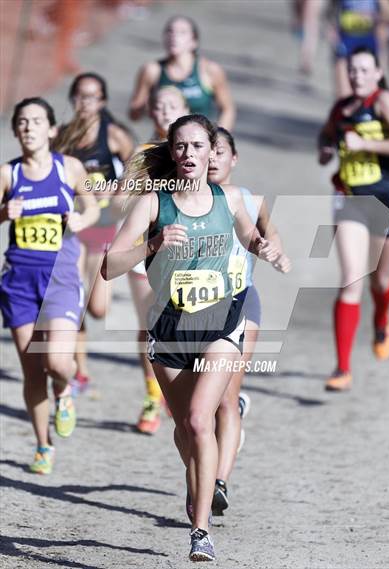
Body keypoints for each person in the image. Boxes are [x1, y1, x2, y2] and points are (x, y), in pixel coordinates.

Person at [102, 114, 285, 561]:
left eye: (198, 146)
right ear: (172, 152)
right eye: (181, 147)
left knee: (202, 420)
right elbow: (109, 267)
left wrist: (264, 246)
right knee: (185, 428)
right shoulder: (153, 203)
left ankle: (200, 531)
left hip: (220, 325)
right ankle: (200, 482)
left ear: (211, 153)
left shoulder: (229, 198)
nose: (189, 155)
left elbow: (249, 235)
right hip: (169, 329)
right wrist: (152, 244)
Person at [0, 97, 99, 474]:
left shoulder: (69, 167)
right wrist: (2, 213)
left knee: (57, 361)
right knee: (31, 371)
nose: (29, 127)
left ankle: (65, 389)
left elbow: (93, 206)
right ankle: (43, 445)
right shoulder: (7, 175)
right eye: (22, 122)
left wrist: (80, 220)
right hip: (19, 282)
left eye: (36, 121)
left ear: (52, 129)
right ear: (15, 131)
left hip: (59, 278)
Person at [318, 47, 389, 391]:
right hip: (349, 198)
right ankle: (342, 368)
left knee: (380, 278)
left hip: (385, 198)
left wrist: (363, 143)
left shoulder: (384, 101)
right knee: (351, 279)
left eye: (364, 70)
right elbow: (326, 135)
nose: (357, 76)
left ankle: (381, 318)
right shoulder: (340, 108)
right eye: (352, 71)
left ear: (377, 73)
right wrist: (326, 149)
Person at [207, 127, 291, 517]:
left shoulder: (250, 200)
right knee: (198, 408)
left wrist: (273, 252)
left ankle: (218, 483)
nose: (211, 159)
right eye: (208, 151)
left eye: (219, 151)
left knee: (223, 399)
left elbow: (268, 240)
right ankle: (232, 415)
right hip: (193, 309)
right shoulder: (182, 200)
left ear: (233, 158)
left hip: (241, 304)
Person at [55, 72, 134, 392]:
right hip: (72, 229)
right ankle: (80, 370)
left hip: (102, 228)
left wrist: (116, 192)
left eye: (92, 97)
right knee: (72, 299)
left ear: (102, 102)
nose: (85, 102)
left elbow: (138, 173)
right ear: (72, 98)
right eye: (80, 96)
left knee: (98, 308)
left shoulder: (114, 136)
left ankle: (80, 366)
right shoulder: (60, 137)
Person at [128, 85, 189, 434]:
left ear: (184, 108)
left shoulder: (199, 148)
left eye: (172, 105)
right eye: (159, 106)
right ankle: (153, 395)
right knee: (149, 323)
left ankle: (182, 387)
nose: (165, 111)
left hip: (187, 250)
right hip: (146, 248)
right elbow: (125, 197)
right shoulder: (143, 152)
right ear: (151, 113)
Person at [128, 15, 236, 129]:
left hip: (200, 142)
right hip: (165, 142)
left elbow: (228, 109)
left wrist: (219, 138)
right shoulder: (152, 70)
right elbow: (133, 115)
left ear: (194, 42)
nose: (174, 36)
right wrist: (148, 107)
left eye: (182, 32)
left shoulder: (209, 70)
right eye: (170, 31)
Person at [328, 0, 389, 97]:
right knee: (343, 86)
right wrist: (332, 28)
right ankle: (345, 106)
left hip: (368, 37)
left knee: (370, 85)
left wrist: (374, 17)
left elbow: (388, 14)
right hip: (345, 37)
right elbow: (331, 9)